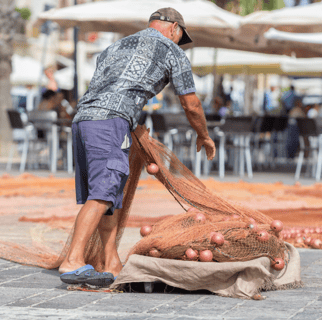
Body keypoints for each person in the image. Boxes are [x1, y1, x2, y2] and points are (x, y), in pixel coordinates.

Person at [59, 8, 216, 287]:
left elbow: (108, 87)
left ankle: (111, 262)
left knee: (110, 196)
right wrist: (204, 135)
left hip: (84, 120)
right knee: (105, 192)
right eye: (181, 37)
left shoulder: (113, 47)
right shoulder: (172, 50)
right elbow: (191, 103)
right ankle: (72, 260)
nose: (180, 42)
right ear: (174, 29)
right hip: (110, 121)